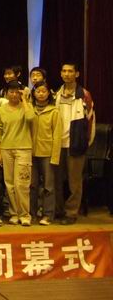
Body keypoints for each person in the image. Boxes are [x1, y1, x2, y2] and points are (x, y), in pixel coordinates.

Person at [54, 62, 95, 225]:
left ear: (76, 74)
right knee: (56, 180)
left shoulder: (84, 95)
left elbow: (91, 120)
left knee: (74, 182)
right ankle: (58, 210)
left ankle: (71, 213)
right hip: (58, 145)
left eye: (70, 71)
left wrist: (86, 143)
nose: (67, 74)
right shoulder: (56, 94)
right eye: (64, 71)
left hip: (76, 144)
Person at [0, 80, 35, 226]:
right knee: (9, 183)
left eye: (16, 92)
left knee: (22, 184)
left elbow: (30, 118)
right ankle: (14, 213)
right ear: (6, 93)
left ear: (20, 93)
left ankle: (25, 214)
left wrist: (24, 100)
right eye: (10, 92)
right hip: (6, 149)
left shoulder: (27, 107)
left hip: (23, 148)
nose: (13, 95)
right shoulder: (1, 110)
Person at [31, 81, 62, 226]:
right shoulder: (29, 110)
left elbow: (57, 135)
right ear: (34, 93)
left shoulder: (54, 111)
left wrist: (55, 157)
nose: (41, 94)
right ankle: (31, 213)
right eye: (38, 91)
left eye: (44, 91)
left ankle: (48, 214)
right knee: (32, 185)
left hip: (47, 153)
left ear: (48, 93)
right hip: (31, 153)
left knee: (49, 186)